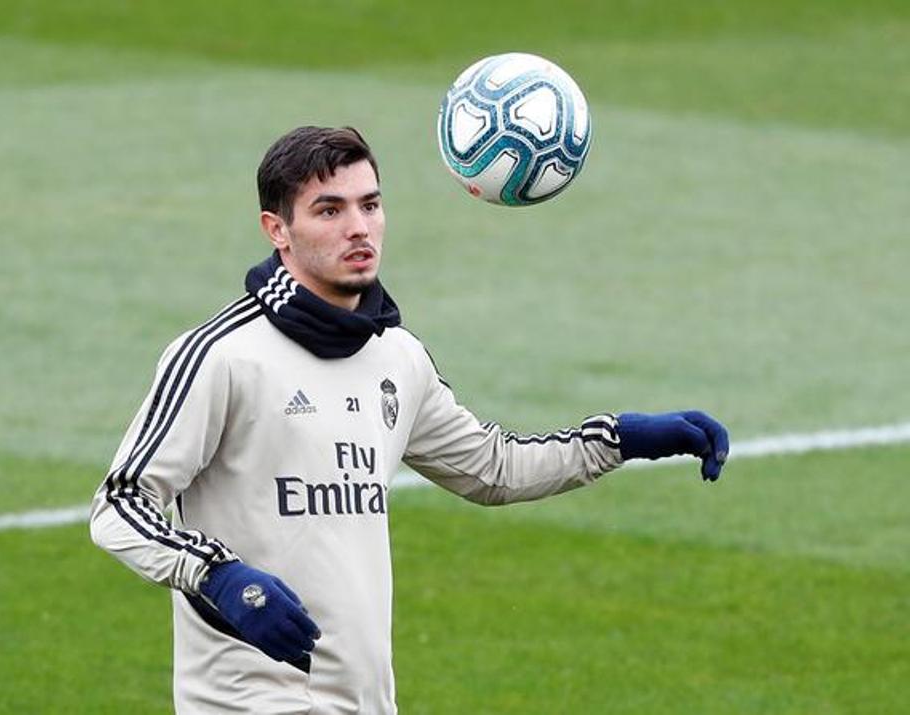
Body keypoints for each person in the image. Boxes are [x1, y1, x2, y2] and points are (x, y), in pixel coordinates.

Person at [89, 125, 729, 714]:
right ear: (276, 230)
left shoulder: (396, 357)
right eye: (329, 210)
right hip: (248, 699)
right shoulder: (222, 356)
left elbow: (493, 469)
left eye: (369, 204)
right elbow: (119, 504)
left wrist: (619, 439)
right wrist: (221, 576)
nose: (359, 228)